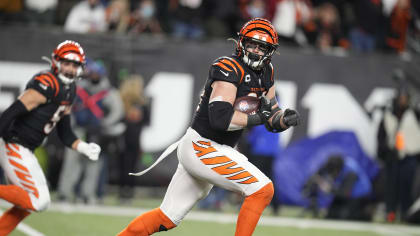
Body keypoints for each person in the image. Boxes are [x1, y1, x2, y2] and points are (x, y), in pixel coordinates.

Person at [118, 18, 300, 236]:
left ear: (270, 51)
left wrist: (283, 120)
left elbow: (272, 115)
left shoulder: (267, 71)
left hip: (214, 148)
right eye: (252, 44)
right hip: (202, 145)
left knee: (166, 218)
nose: (256, 51)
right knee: (262, 190)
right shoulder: (228, 67)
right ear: (241, 43)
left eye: (262, 47)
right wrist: (262, 116)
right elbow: (220, 119)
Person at [0, 40, 101, 235]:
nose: (71, 69)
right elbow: (10, 113)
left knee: (27, 204)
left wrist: (83, 147)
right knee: (40, 200)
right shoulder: (48, 84)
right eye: (67, 63)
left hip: (24, 148)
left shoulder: (70, 91)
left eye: (75, 65)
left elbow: (65, 132)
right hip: (14, 144)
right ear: (56, 62)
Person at [57, 58, 124, 204]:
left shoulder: (107, 92)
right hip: (78, 130)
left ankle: (88, 194)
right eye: (91, 73)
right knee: (71, 162)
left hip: (96, 132)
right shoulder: (79, 88)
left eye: (96, 73)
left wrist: (105, 123)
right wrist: (71, 122)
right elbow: (67, 106)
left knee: (93, 165)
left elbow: (117, 111)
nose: (93, 76)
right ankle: (65, 193)